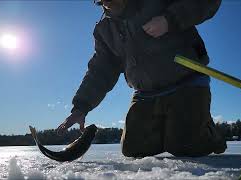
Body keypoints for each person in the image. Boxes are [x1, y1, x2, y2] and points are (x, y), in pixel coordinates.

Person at [57, 0, 227, 157]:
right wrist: (81, 106)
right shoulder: (104, 30)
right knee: (133, 150)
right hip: (146, 93)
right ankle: (174, 130)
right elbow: (101, 70)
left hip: (186, 82)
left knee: (185, 147)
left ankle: (207, 131)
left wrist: (170, 19)